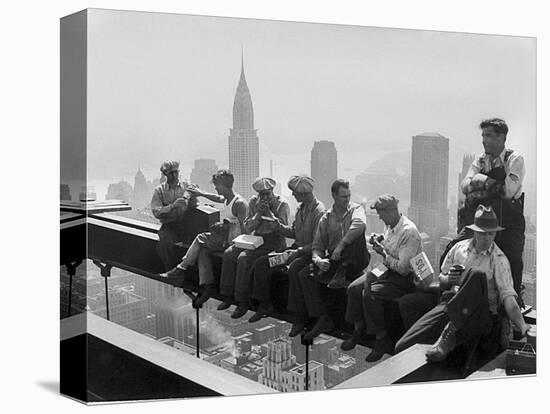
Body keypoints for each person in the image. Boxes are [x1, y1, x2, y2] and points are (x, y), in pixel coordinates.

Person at [395, 205, 530, 363]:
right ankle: (439, 344)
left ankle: (448, 334)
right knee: (402, 346)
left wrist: (522, 326)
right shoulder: (458, 249)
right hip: (451, 304)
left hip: (479, 313)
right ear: (474, 232)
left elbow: (509, 298)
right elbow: (442, 280)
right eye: (483, 233)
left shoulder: (498, 259)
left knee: (476, 275)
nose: (487, 238)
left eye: (491, 234)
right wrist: (449, 279)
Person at [445, 118, 526, 302]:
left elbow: (507, 191)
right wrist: (488, 183)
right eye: (483, 135)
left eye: (488, 135)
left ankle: (512, 306)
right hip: (481, 220)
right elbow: (465, 186)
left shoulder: (514, 160)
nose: (483, 140)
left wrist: (480, 181)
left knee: (513, 260)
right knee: (453, 248)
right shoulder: (480, 160)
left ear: (502, 137)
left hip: (508, 221)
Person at [343, 194, 421, 362]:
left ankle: (381, 338)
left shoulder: (409, 232)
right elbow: (390, 248)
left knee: (370, 292)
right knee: (353, 289)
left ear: (392, 211)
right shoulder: (390, 226)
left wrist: (382, 253)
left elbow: (404, 269)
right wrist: (380, 241)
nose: (379, 216)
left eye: (381, 212)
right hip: (385, 268)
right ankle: (358, 329)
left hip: (403, 278)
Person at [293, 179, 369, 341]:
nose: (347, 199)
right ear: (334, 196)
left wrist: (342, 244)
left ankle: (342, 270)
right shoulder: (326, 218)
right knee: (305, 274)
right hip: (336, 259)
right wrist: (318, 260)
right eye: (343, 197)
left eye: (348, 196)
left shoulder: (356, 210)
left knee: (355, 236)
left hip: (355, 258)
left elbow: (360, 224)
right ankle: (322, 317)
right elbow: (317, 245)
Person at [159, 170, 248, 306]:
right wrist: (200, 193)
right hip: (225, 239)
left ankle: (180, 269)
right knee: (203, 250)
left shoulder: (239, 203)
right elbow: (216, 198)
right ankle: (207, 286)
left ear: (223, 185)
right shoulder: (228, 198)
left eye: (217, 185)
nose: (215, 188)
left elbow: (245, 229)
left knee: (201, 238)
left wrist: (226, 226)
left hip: (232, 242)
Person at [247, 175, 325, 324]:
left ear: (303, 193)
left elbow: (317, 244)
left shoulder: (318, 212)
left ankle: (299, 315)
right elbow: (293, 232)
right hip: (296, 250)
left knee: (295, 269)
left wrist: (299, 251)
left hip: (308, 254)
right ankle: (264, 303)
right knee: (263, 263)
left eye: (295, 192)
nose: (293, 195)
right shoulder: (301, 208)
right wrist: (276, 224)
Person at [218, 177, 290, 319]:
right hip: (255, 239)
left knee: (244, 259)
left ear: (272, 191)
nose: (263, 197)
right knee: (228, 254)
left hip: (274, 242)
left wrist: (269, 214)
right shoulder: (253, 202)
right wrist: (258, 214)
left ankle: (242, 300)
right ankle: (226, 294)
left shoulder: (282, 204)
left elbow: (285, 230)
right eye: (260, 194)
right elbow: (247, 228)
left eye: (266, 194)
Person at [151, 161, 196, 271]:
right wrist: (172, 206)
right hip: (169, 226)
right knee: (165, 246)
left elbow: (194, 193)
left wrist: (188, 198)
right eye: (171, 173)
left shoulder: (185, 186)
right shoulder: (160, 190)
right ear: (165, 174)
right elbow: (156, 211)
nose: (174, 175)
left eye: (176, 172)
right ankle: (171, 272)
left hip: (186, 225)